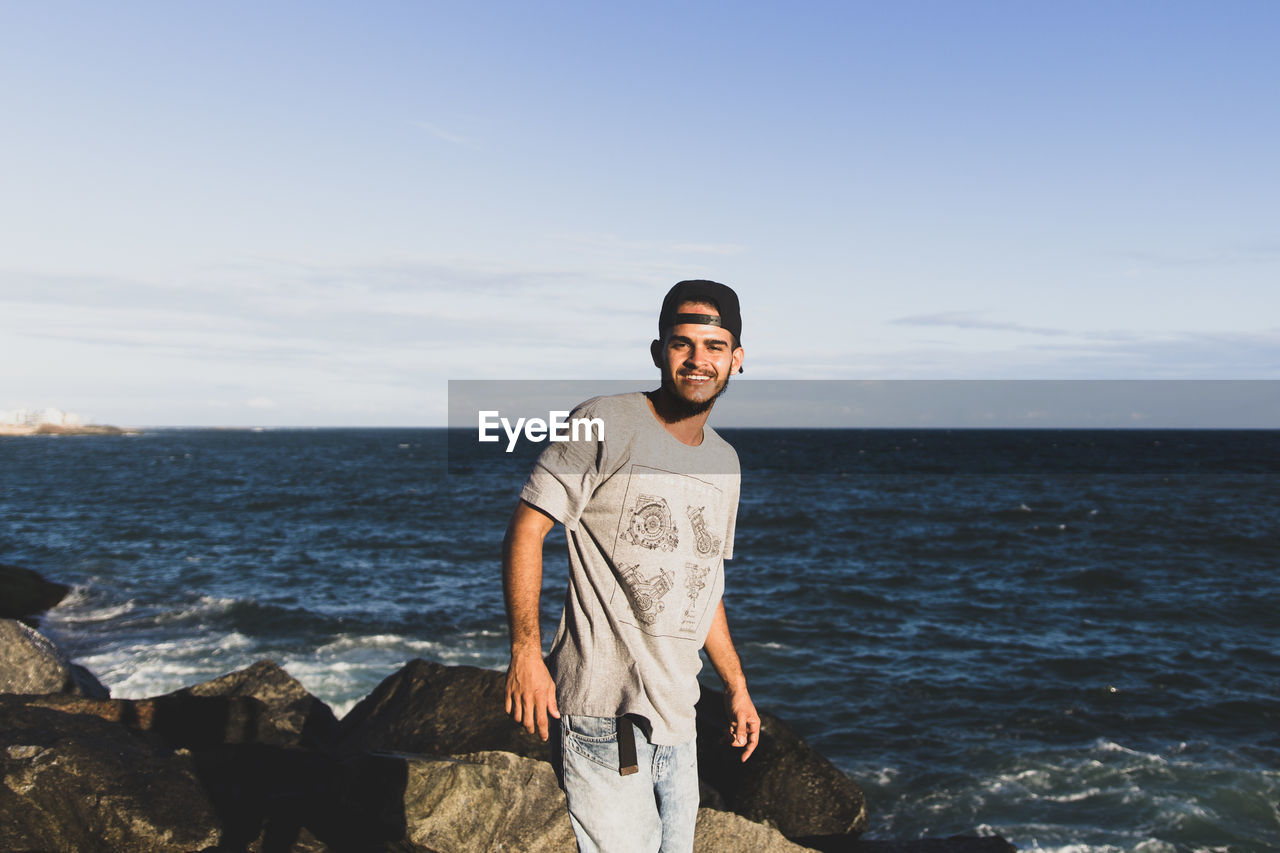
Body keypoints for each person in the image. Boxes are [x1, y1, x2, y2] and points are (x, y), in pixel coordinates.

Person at [502, 280, 760, 853]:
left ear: (736, 359)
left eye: (714, 346)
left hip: (679, 714)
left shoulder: (725, 461)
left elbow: (702, 585)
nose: (698, 360)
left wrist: (736, 686)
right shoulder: (605, 421)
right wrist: (525, 653)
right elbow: (527, 527)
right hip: (602, 710)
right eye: (682, 344)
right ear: (657, 351)